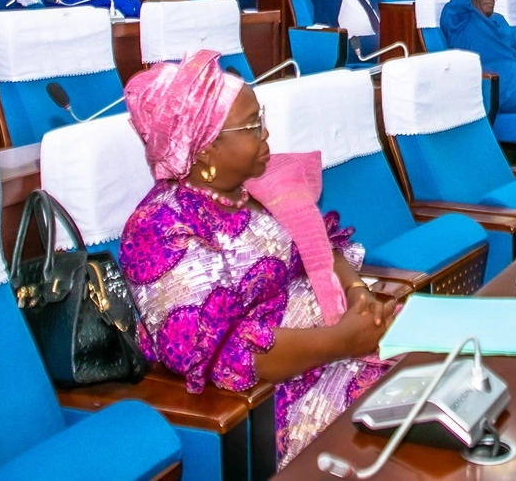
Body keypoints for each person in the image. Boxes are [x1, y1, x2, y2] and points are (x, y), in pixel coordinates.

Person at [119, 50, 394, 471]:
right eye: (253, 126)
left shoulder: (250, 191)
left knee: (438, 374)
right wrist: (344, 341)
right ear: (207, 148)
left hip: (331, 341)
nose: (266, 135)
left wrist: (356, 292)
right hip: (274, 397)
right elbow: (228, 355)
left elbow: (316, 244)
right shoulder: (161, 227)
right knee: (402, 429)